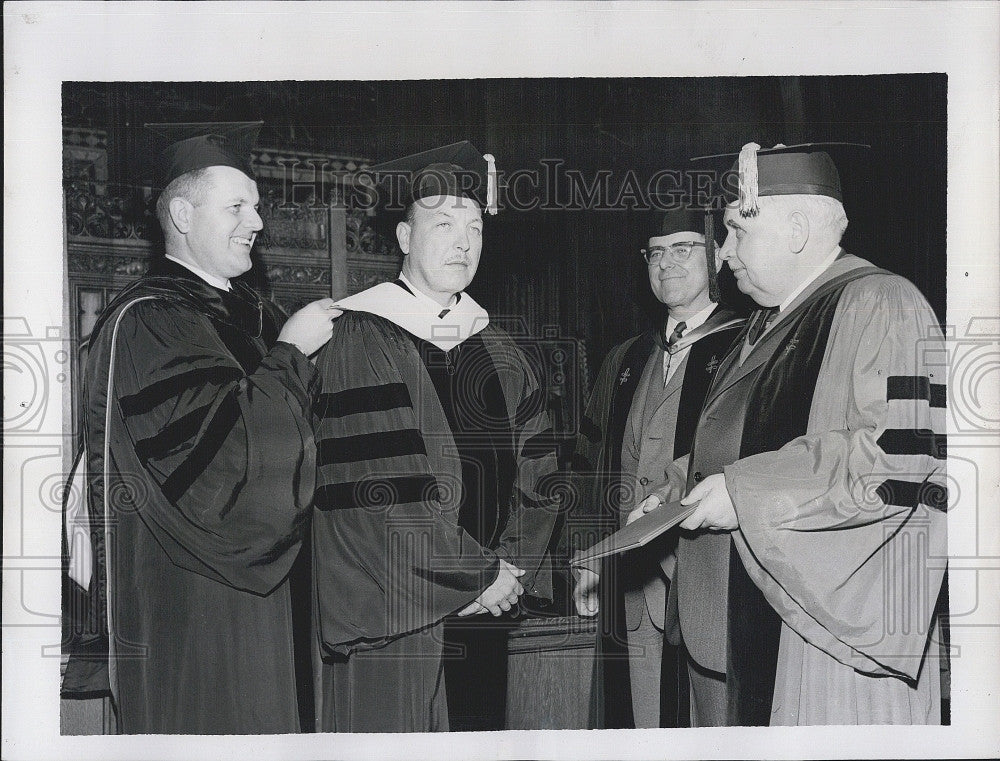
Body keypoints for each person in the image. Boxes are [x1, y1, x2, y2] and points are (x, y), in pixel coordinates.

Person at [638, 143, 948, 726]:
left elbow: (900, 461)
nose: (722, 252)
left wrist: (744, 492)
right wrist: (674, 490)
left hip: (827, 632)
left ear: (799, 228)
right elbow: (738, 438)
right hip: (731, 624)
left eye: (734, 230)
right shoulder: (768, 322)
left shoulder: (882, 303)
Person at [70, 122, 339, 733]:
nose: (258, 222)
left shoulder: (254, 318)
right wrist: (292, 358)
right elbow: (224, 473)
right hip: (200, 608)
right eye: (238, 206)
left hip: (274, 604)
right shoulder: (152, 323)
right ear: (184, 215)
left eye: (260, 206)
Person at [311, 142, 560, 732]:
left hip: (489, 606)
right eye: (443, 223)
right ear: (402, 237)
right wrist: (471, 579)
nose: (462, 242)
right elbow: (373, 492)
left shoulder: (501, 351)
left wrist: (510, 570)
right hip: (397, 611)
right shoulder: (358, 341)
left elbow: (541, 476)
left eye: (474, 227)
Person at [569, 207, 744, 728]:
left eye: (683, 248)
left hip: (707, 578)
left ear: (716, 254)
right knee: (637, 719)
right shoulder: (624, 358)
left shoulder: (746, 346)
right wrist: (587, 556)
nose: (667, 263)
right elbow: (588, 466)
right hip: (626, 581)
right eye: (656, 253)